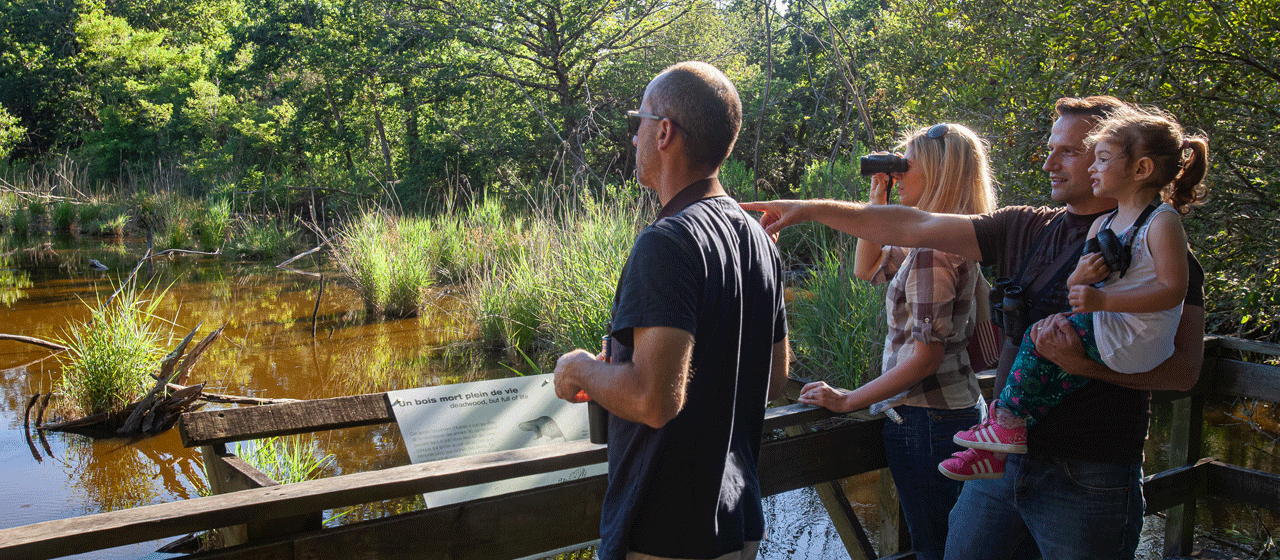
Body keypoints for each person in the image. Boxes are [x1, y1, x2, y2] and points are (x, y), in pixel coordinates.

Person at [741, 95, 1206, 560]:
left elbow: (1183, 372)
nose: (1049, 163)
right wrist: (806, 208)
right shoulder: (1026, 227)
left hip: (1090, 473)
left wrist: (1082, 365)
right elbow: (914, 225)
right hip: (997, 464)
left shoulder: (1154, 248)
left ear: (1123, 156)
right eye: (1051, 148)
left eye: (1070, 151)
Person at [552, 61, 789, 560]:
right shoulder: (760, 241)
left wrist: (581, 370)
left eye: (638, 122)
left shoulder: (667, 242)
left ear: (663, 133)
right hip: (737, 522)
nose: (633, 138)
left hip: (666, 535)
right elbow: (775, 379)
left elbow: (654, 400)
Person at [941, 105, 1209, 481]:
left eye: (1099, 158)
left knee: (1040, 337)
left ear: (1140, 169)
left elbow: (1172, 294)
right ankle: (997, 445)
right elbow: (1079, 291)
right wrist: (1078, 280)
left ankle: (1001, 429)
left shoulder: (1163, 223)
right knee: (1047, 356)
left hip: (1123, 375)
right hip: (1106, 333)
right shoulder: (1104, 223)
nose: (1091, 168)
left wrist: (1099, 309)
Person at [794, 122, 996, 560]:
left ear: (939, 174)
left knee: (936, 549)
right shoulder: (946, 234)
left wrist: (850, 400)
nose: (898, 174)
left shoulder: (932, 253)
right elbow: (867, 268)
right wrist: (877, 204)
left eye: (906, 166)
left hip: (927, 423)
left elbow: (924, 359)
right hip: (956, 413)